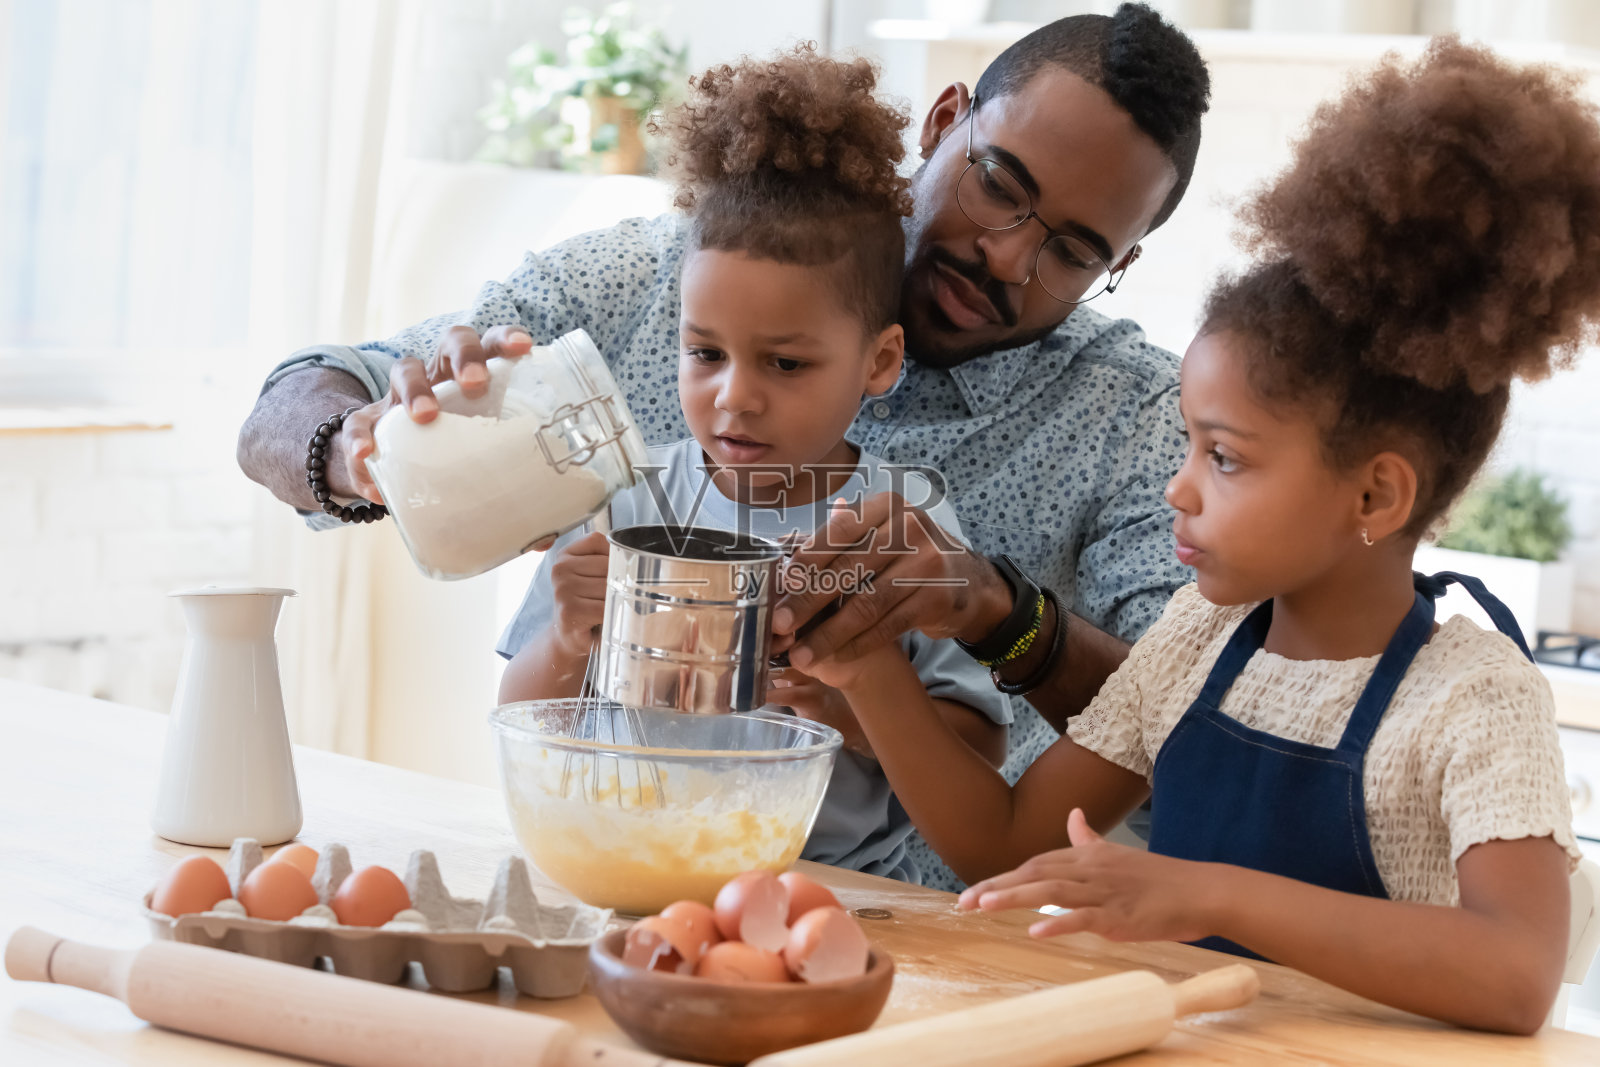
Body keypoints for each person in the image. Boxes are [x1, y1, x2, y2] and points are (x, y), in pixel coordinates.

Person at [235, 4, 1212, 888]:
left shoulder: (1134, 417)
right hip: (640, 872)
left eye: (1075, 249)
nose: (1008, 254)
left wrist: (997, 615)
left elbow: (1200, 713)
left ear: (1118, 264)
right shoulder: (686, 267)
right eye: (1000, 183)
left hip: (914, 915)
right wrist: (368, 444)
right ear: (944, 117)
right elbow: (292, 405)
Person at [789, 38, 1600, 1033]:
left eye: (1224, 457)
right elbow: (1003, 844)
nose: (1176, 488)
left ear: (1376, 497)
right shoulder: (1196, 644)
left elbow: (1517, 970)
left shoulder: (1471, 695)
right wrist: (861, 661)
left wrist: (1207, 891)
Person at [496, 47, 1009, 883]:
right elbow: (522, 726)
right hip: (632, 865)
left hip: (835, 889)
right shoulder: (623, 501)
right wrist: (562, 638)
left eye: (785, 364)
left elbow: (980, 744)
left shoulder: (900, 522)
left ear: (878, 363)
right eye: (705, 352)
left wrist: (847, 712)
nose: (734, 398)